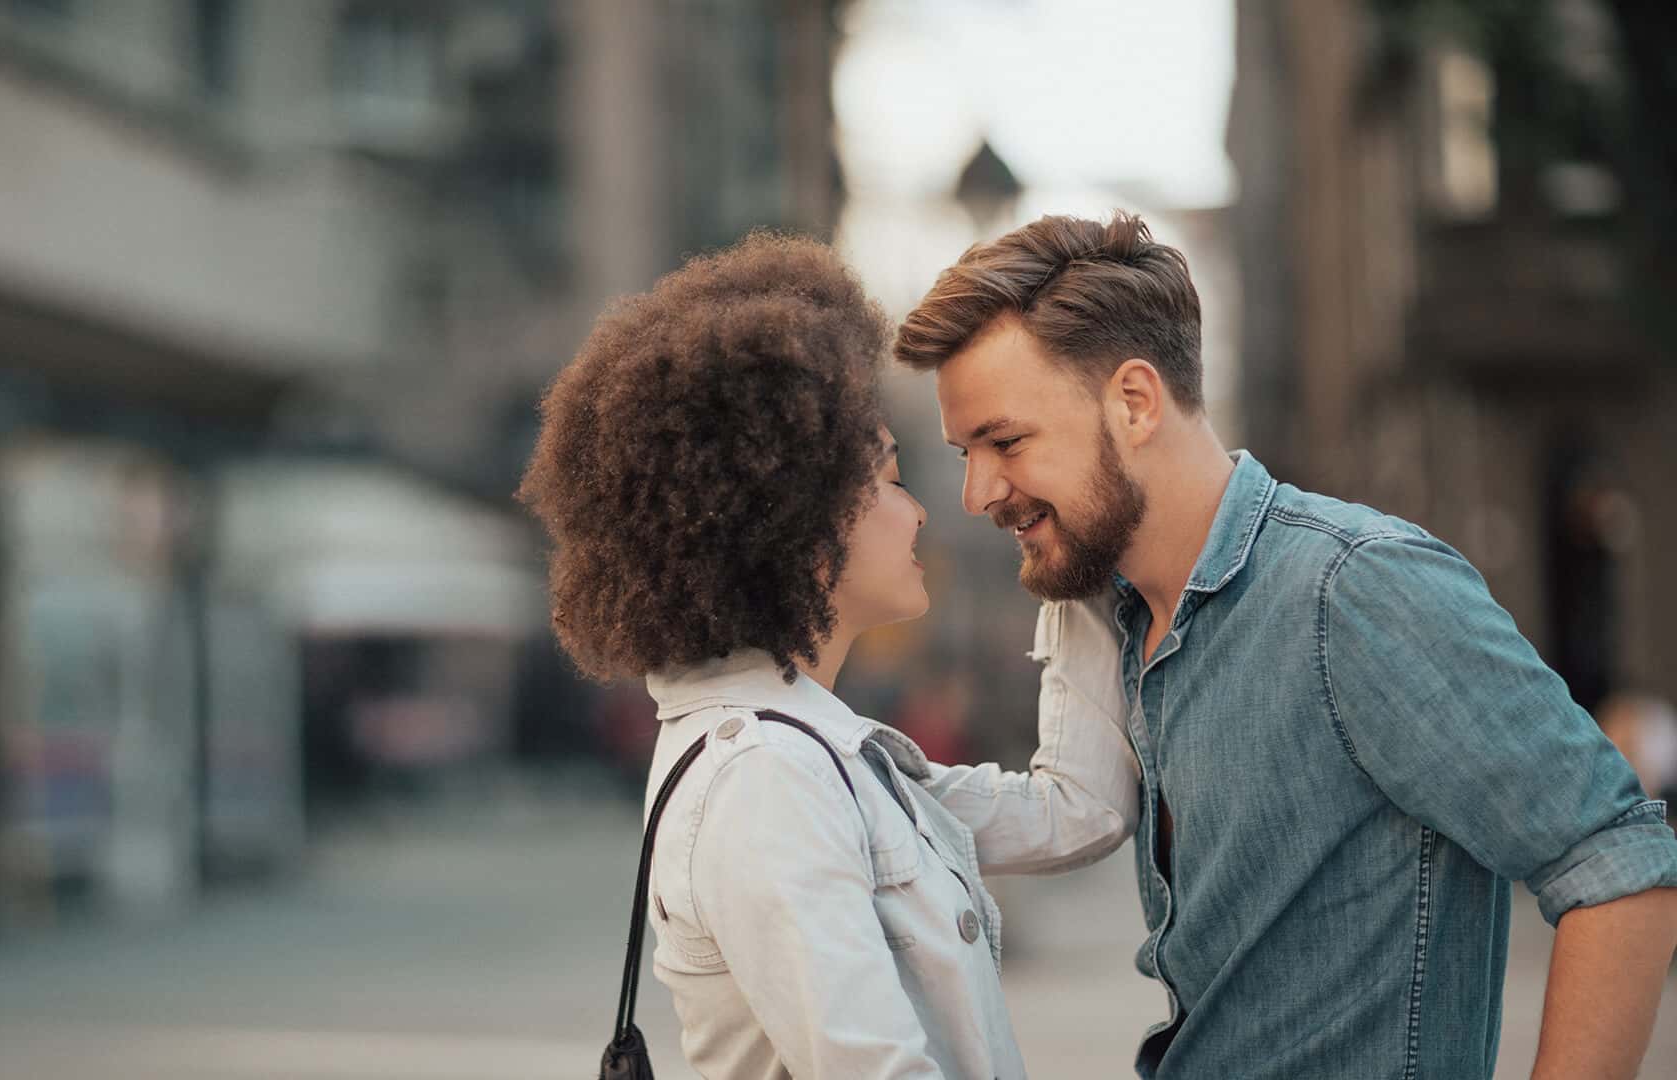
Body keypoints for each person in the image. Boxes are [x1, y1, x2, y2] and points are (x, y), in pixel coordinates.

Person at [895, 210, 1677, 1079]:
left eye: (1005, 442)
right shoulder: (1117, 618)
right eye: (965, 452)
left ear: (1134, 402)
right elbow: (1071, 812)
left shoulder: (1354, 589)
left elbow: (1621, 862)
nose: (975, 493)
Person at [517, 233, 1140, 1079]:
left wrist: (1075, 559)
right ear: (799, 523)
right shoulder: (768, 775)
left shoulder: (816, 753)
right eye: (887, 479)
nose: (919, 512)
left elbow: (1078, 813)